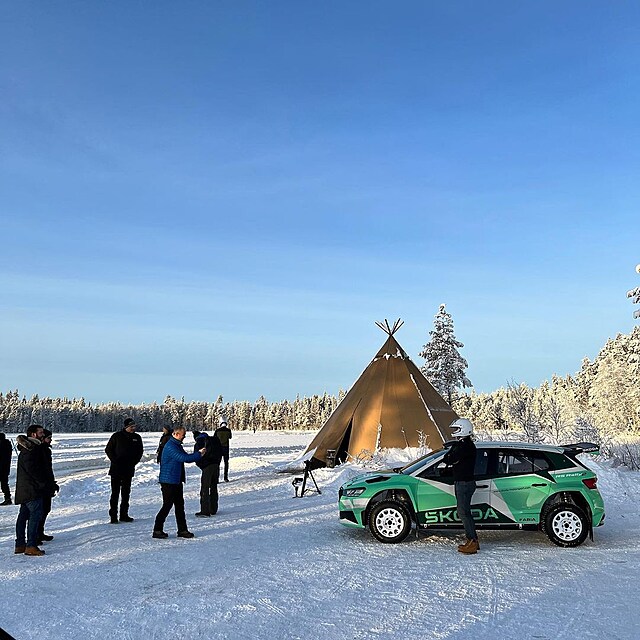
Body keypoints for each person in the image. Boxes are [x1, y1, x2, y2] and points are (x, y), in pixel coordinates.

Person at [152, 426, 205, 539]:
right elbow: (183, 458)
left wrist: (197, 455)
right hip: (168, 481)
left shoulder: (176, 445)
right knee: (167, 505)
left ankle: (182, 530)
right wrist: (199, 454)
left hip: (175, 480)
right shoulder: (171, 446)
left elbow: (185, 457)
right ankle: (157, 529)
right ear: (176, 434)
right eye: (183, 435)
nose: (184, 437)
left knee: (180, 506)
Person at [444, 418, 479, 555]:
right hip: (464, 482)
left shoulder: (465, 446)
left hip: (464, 483)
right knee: (464, 512)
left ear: (464, 429)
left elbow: (449, 459)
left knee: (463, 512)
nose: (455, 432)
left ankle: (473, 542)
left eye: (457, 429)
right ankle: (473, 540)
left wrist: (451, 451)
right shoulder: (465, 445)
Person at [14, 425, 48, 556]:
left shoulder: (29, 448)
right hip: (31, 489)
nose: (43, 434)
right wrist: (42, 482)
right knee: (35, 516)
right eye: (40, 432)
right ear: (33, 434)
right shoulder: (31, 449)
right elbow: (32, 469)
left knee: (23, 516)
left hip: (26, 489)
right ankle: (31, 545)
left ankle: (20, 544)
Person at [105, 417, 144, 524]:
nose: (133, 428)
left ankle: (124, 515)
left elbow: (140, 452)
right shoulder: (117, 436)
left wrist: (134, 462)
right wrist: (115, 460)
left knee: (126, 493)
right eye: (131, 427)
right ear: (126, 427)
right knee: (115, 493)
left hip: (129, 469)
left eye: (134, 426)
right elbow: (108, 449)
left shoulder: (137, 437)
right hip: (116, 469)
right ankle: (113, 516)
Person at [193, 429, 223, 517]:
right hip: (216, 465)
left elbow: (197, 456)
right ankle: (213, 509)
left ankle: (205, 510)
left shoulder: (200, 441)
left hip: (207, 467)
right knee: (214, 486)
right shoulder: (213, 440)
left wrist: (202, 465)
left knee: (205, 488)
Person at [37, 429, 59, 545]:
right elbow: (43, 470)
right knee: (41, 511)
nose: (50, 440)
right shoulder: (41, 450)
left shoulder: (46, 450)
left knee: (45, 509)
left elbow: (48, 470)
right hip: (42, 486)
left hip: (47, 485)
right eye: (48, 438)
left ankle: (39, 532)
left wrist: (52, 483)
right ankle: (36, 534)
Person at [215, 416, 232, 482]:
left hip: (218, 449)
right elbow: (230, 437)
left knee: (217, 464)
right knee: (226, 463)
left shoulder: (217, 431)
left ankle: (217, 478)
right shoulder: (228, 430)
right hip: (226, 448)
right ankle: (225, 477)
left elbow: (214, 438)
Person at [0, 432, 13, 506]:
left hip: (2, 468)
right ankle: (7, 498)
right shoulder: (7, 444)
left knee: (4, 484)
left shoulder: (2, 446)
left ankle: (8, 499)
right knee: (4, 484)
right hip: (6, 468)